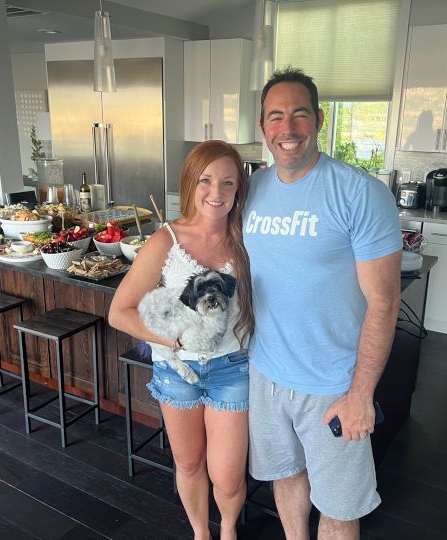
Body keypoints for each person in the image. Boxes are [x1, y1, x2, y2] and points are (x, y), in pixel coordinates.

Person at [243, 67, 403, 539]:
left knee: (338, 506)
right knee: (286, 476)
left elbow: (384, 301)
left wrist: (361, 394)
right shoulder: (252, 190)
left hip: (333, 385)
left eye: (300, 114)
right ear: (262, 125)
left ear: (319, 119)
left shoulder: (360, 193)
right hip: (266, 374)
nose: (287, 128)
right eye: (276, 116)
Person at [108, 140, 254, 540]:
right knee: (189, 464)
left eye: (228, 182)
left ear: (239, 188)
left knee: (228, 476)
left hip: (232, 368)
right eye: (206, 180)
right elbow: (120, 312)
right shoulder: (165, 241)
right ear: (190, 183)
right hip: (176, 371)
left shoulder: (247, 238)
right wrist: (173, 338)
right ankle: (200, 533)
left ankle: (228, 530)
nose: (216, 191)